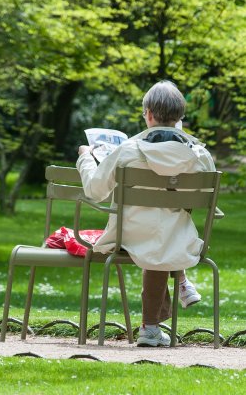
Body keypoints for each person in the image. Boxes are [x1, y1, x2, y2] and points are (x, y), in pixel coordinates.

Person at [76, 80, 215, 347]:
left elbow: (95, 191)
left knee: (156, 232)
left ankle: (151, 327)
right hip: (177, 240)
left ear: (149, 114)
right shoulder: (199, 155)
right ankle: (176, 290)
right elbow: (208, 202)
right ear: (180, 119)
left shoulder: (127, 151)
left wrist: (85, 157)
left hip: (128, 236)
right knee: (165, 230)